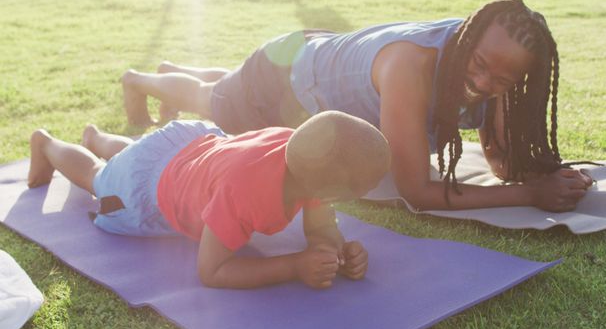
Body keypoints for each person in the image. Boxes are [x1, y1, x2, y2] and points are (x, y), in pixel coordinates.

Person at [121, 0, 592, 213]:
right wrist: (530, 196)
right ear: (468, 40)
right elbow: (416, 191)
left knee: (224, 86)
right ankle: (141, 80)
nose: (483, 82)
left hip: (321, 58)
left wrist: (543, 175)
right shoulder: (412, 67)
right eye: (480, 65)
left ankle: (173, 70)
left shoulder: (493, 71)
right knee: (214, 102)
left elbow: (500, 162)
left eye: (502, 80)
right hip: (283, 77)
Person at [27, 111, 391, 289]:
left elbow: (322, 225)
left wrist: (336, 250)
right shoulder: (243, 192)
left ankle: (96, 136)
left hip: (186, 146)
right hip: (150, 189)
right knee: (99, 178)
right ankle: (47, 143)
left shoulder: (305, 154)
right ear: (326, 190)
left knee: (138, 155)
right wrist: (295, 266)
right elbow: (212, 271)